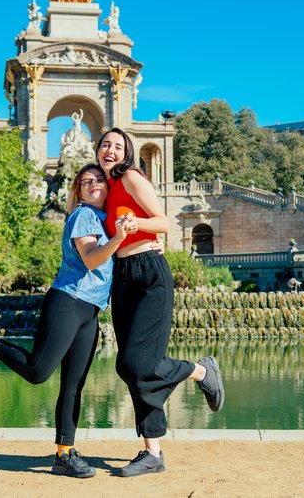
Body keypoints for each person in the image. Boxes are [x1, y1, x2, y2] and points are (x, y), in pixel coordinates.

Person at [0, 164, 132, 479]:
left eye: (99, 180)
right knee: (38, 372)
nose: (93, 184)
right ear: (77, 191)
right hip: (67, 302)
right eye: (86, 181)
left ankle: (64, 454)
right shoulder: (82, 216)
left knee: (74, 385)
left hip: (90, 311)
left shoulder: (106, 220)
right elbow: (91, 258)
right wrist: (119, 236)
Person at [95, 127, 224, 478]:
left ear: (127, 154)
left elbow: (164, 222)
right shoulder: (106, 192)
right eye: (105, 144)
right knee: (128, 366)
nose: (110, 149)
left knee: (140, 363)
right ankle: (153, 452)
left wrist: (135, 223)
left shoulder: (132, 178)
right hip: (123, 276)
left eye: (117, 146)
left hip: (149, 274)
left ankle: (200, 370)